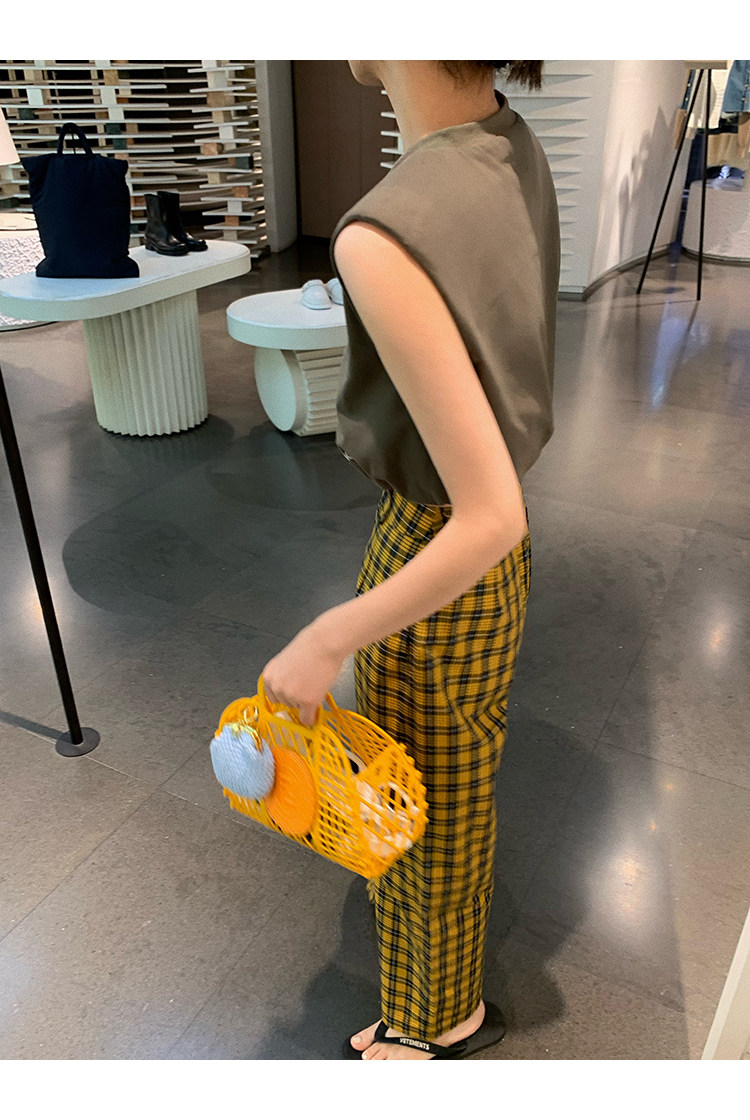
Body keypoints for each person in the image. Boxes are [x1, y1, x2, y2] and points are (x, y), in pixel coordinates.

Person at [261, 59, 559, 1060]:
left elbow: (486, 516)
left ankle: (434, 1024)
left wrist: (325, 637)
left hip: (440, 544)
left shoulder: (383, 234)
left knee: (418, 806)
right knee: (453, 781)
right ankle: (438, 1000)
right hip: (481, 556)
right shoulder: (505, 141)